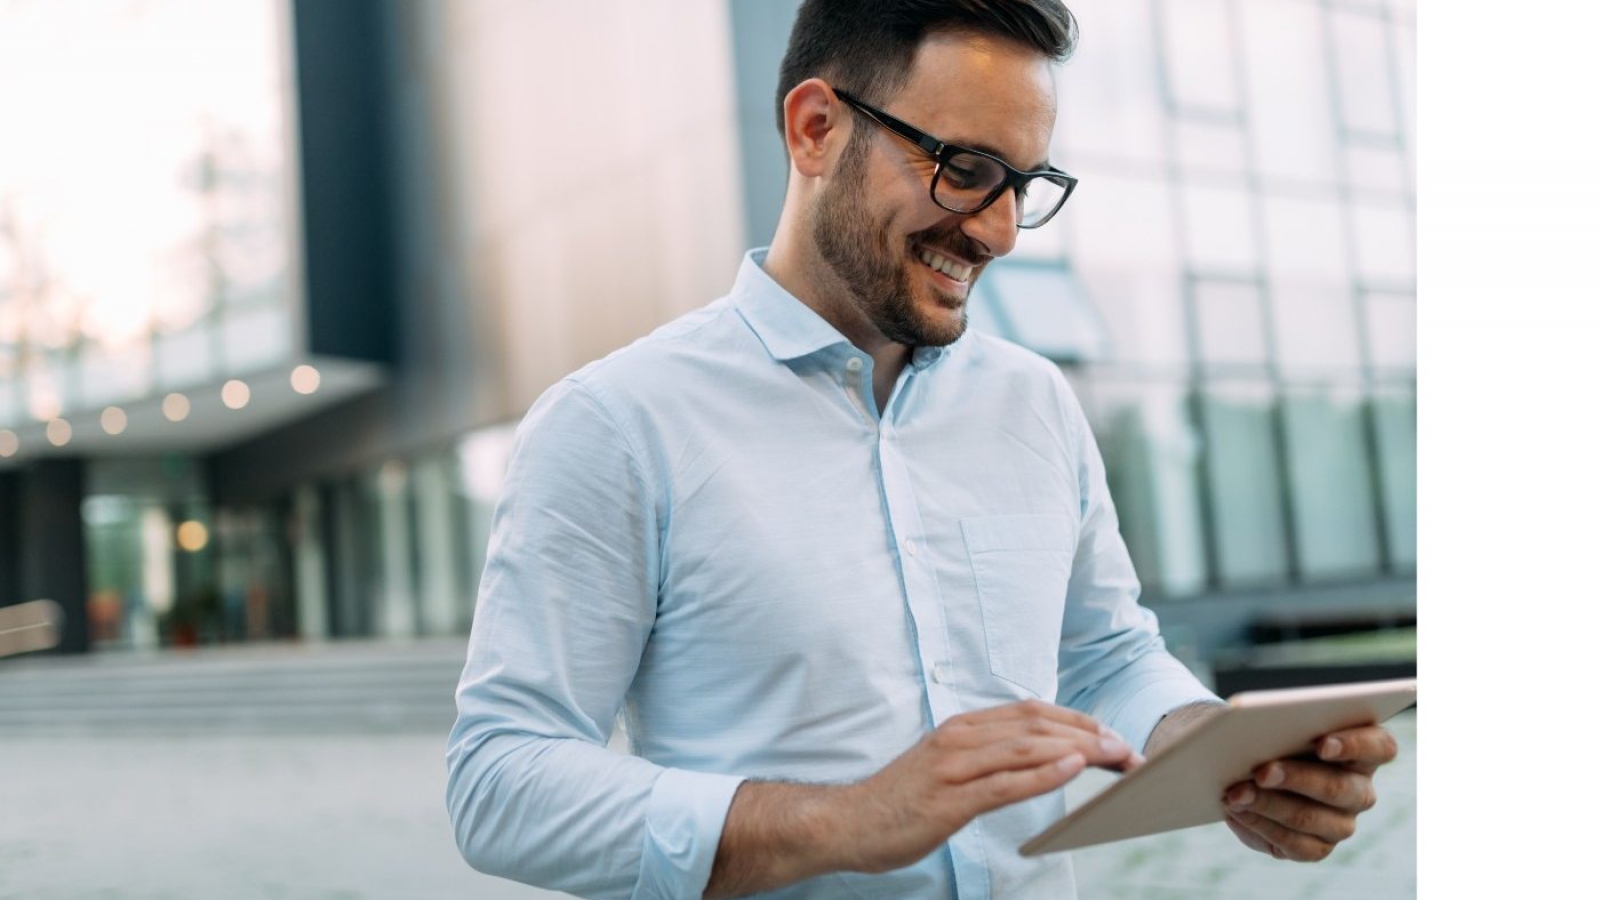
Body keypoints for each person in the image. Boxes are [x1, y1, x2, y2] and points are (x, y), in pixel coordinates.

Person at [445, 1, 1399, 897]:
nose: (999, 230)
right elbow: (501, 778)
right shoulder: (617, 422)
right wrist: (845, 821)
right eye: (965, 167)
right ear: (815, 128)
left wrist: (1223, 754)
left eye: (1025, 185)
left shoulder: (1035, 404)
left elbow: (1101, 654)